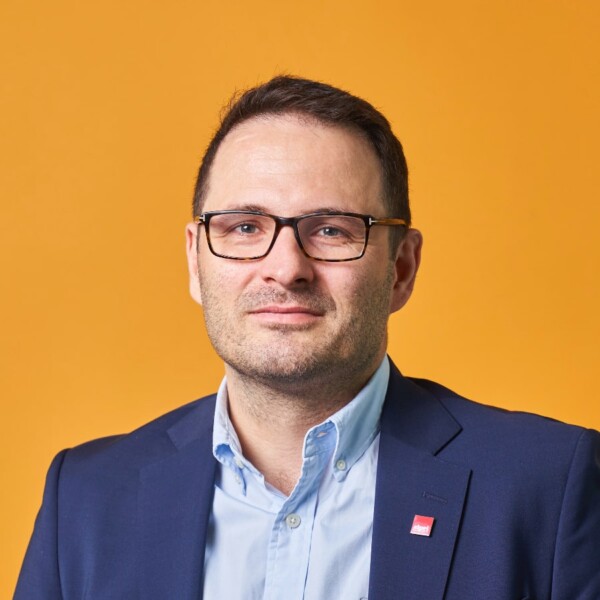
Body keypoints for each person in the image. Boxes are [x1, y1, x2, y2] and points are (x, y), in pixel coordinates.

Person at [15, 76, 600, 600]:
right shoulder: (87, 498)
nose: (286, 267)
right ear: (195, 262)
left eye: (331, 229)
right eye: (245, 227)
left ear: (402, 269)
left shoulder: (550, 486)